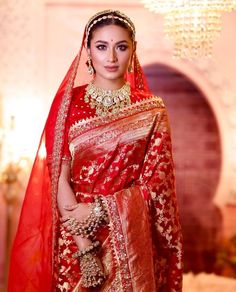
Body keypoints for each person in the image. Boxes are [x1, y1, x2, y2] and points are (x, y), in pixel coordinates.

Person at [8, 9, 183, 292]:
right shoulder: (68, 104)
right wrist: (85, 250)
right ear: (88, 50)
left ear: (133, 49)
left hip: (130, 240)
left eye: (121, 47)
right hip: (76, 234)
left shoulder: (152, 110)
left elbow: (156, 184)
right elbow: (58, 176)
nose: (111, 58)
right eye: (102, 47)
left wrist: (102, 210)